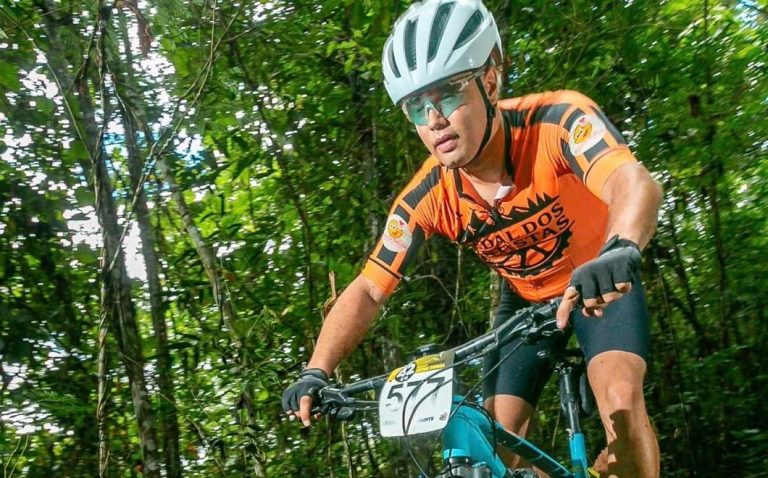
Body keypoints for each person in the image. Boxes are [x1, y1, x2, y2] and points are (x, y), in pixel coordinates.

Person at [282, 1, 662, 476]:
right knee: (493, 447)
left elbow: (631, 180)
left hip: (597, 284)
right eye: (416, 107)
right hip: (523, 302)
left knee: (620, 401)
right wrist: (316, 370)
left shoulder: (557, 120)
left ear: (490, 81)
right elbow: (369, 288)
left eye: (446, 95)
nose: (433, 120)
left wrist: (621, 245)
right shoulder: (428, 194)